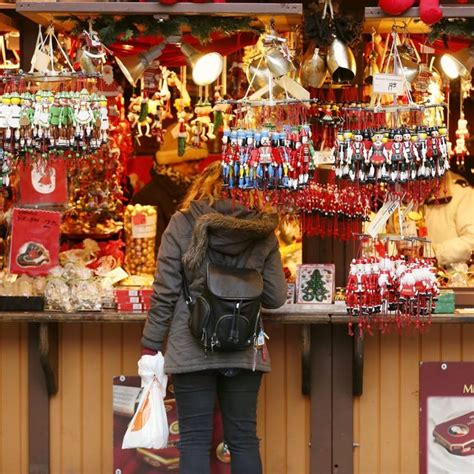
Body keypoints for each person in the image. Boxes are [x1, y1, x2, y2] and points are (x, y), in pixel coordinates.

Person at [141, 161, 287, 474]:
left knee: (194, 439)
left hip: (191, 344)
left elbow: (165, 291)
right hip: (245, 346)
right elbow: (275, 297)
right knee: (244, 439)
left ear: (202, 188)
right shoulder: (263, 232)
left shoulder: (182, 223)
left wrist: (150, 344)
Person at [131, 123, 207, 250]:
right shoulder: (147, 199)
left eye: (198, 161)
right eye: (189, 162)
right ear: (170, 162)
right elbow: (153, 249)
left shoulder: (198, 191)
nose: (196, 168)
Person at [423, 158, 474, 266]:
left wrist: (435, 253)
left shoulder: (462, 194)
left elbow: (471, 240)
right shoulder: (413, 197)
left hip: (455, 278)